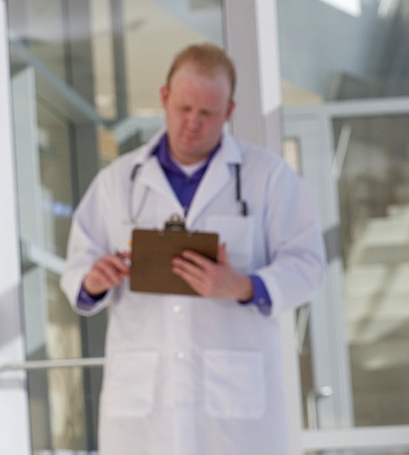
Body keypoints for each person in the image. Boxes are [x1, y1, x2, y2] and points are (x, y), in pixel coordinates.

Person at [60, 43, 326, 455]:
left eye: (207, 113)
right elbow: (76, 267)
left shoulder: (267, 178)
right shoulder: (118, 181)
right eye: (184, 108)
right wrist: (94, 280)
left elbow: (308, 265)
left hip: (235, 416)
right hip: (144, 411)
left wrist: (242, 285)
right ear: (165, 97)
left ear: (230, 110)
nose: (193, 124)